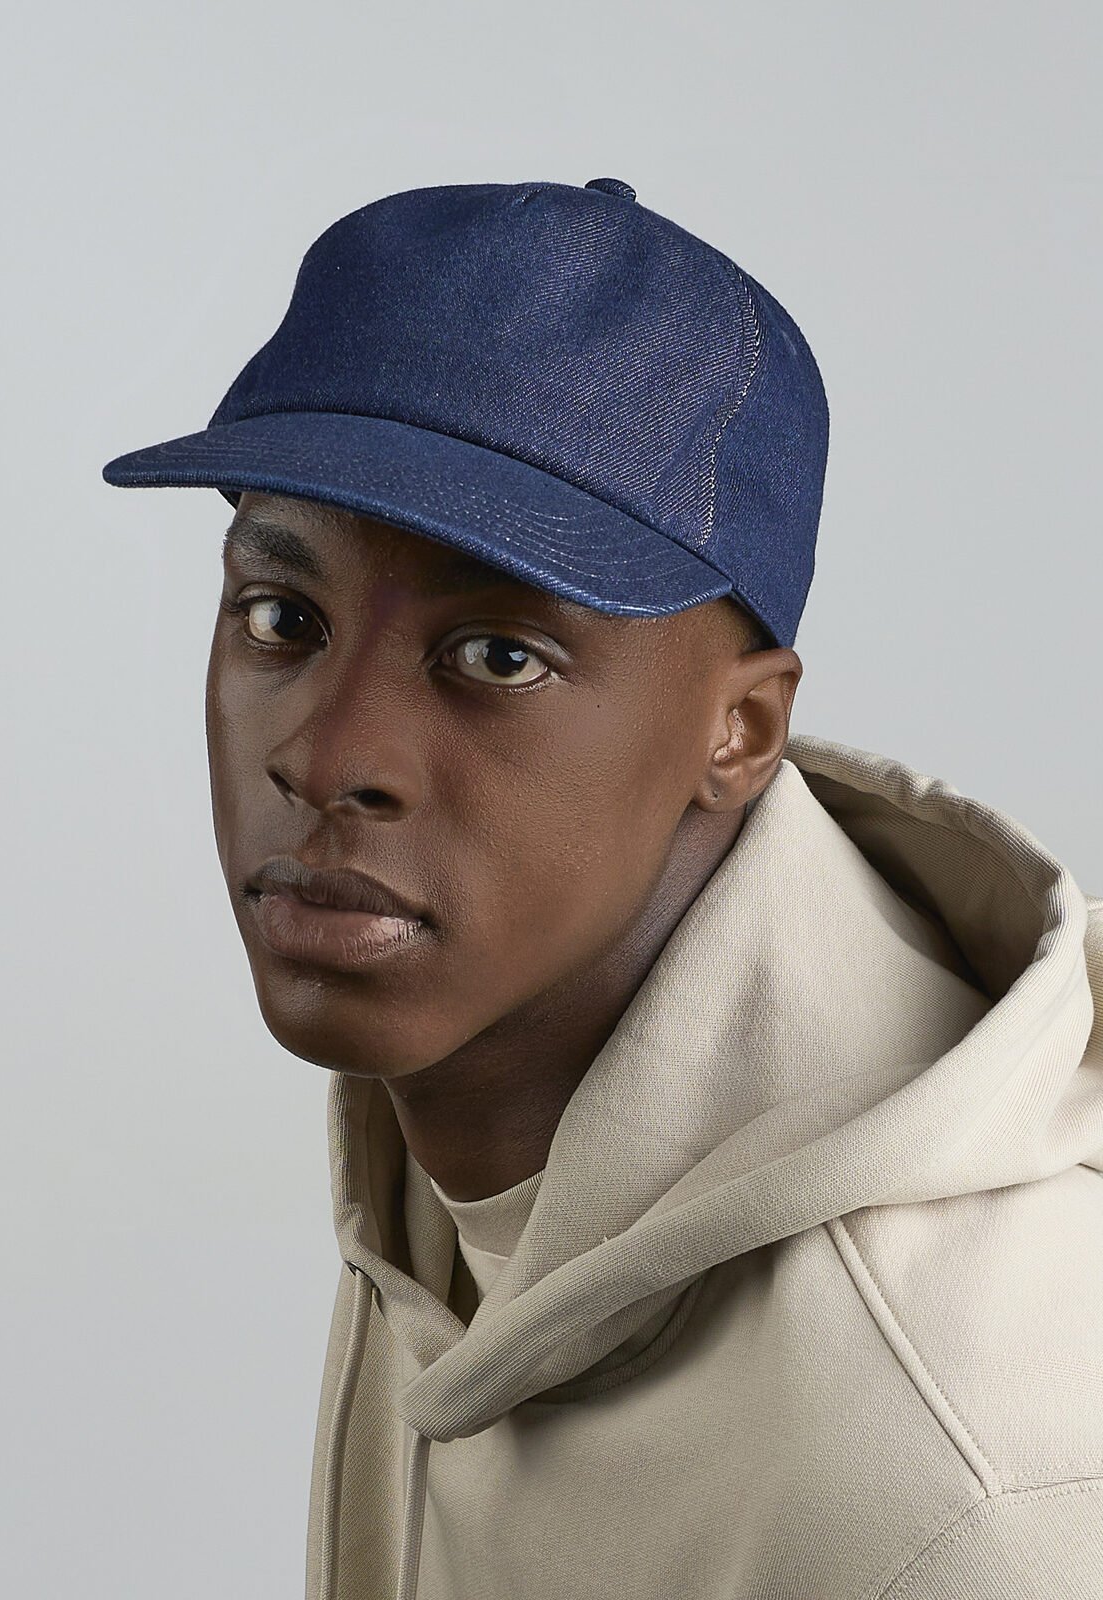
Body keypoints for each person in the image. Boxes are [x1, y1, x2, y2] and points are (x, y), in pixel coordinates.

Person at [102, 178, 1103, 1600]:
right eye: (284, 618)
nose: (326, 757)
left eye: (500, 656)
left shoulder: (966, 1492)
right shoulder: (479, 1121)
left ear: (739, 730)